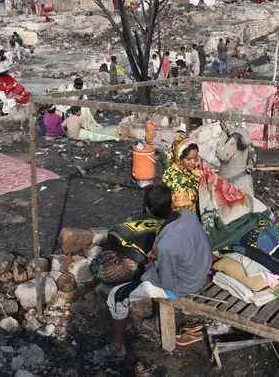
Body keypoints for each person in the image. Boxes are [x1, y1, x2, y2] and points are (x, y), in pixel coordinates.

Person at [86, 185, 211, 364]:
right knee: (147, 269)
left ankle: (117, 347)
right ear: (172, 202)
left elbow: (167, 282)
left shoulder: (167, 244)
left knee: (116, 296)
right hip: (200, 269)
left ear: (148, 210)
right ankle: (153, 319)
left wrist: (147, 274)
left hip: (183, 285)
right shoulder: (188, 215)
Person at [162, 134, 201, 213]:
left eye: (195, 158)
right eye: (189, 159)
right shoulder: (178, 183)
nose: (193, 162)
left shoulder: (188, 170)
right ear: (179, 158)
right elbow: (183, 215)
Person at [216, 126, 255, 196]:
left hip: (226, 183)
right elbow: (247, 142)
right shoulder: (239, 141)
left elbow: (219, 153)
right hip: (240, 183)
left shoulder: (225, 140)